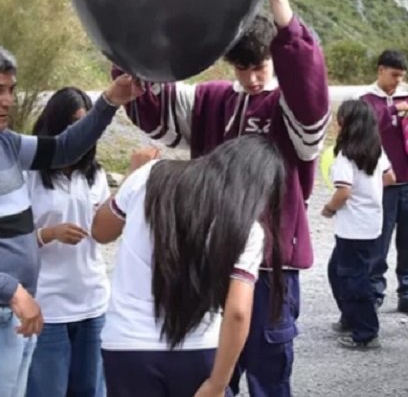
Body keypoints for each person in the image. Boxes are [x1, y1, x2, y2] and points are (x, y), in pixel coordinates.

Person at [112, 0, 330, 396]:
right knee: (212, 374)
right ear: (227, 63)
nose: (252, 79)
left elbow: (311, 96)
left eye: (261, 68)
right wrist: (131, 34)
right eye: (242, 68)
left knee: (269, 374)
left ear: (274, 60)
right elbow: (153, 105)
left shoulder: (288, 110)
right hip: (209, 261)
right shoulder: (210, 100)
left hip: (271, 264)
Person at [0, 44, 144, 397]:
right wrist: (11, 290)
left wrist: (110, 102)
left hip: (9, 316)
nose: (7, 100)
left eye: (10, 90)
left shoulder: (1, 141)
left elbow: (63, 150)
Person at [93, 136, 286, 397]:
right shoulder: (245, 230)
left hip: (127, 344)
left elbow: (101, 231)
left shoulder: (149, 176)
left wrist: (130, 175)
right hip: (200, 349)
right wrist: (218, 384)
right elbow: (238, 312)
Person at [25, 88, 112, 397]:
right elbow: (6, 241)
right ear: (56, 125)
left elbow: (106, 230)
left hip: (92, 300)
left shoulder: (95, 175)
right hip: (46, 305)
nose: (83, 133)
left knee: (91, 390)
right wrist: (50, 233)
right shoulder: (28, 174)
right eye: (74, 124)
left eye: (88, 124)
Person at [360, 49, 408, 317]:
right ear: (380, 71)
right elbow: (359, 135)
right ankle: (374, 291)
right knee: (379, 240)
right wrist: (391, 111)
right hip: (382, 183)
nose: (396, 82)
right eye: (393, 76)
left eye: (401, 77)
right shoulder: (366, 101)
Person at [323, 100, 395, 349]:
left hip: (352, 227)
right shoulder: (376, 150)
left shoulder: (345, 156)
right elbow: (390, 177)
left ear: (348, 124)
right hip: (371, 224)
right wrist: (370, 192)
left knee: (354, 279)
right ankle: (350, 316)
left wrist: (329, 208)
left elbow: (343, 192)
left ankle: (365, 332)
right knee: (337, 270)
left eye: (340, 118)